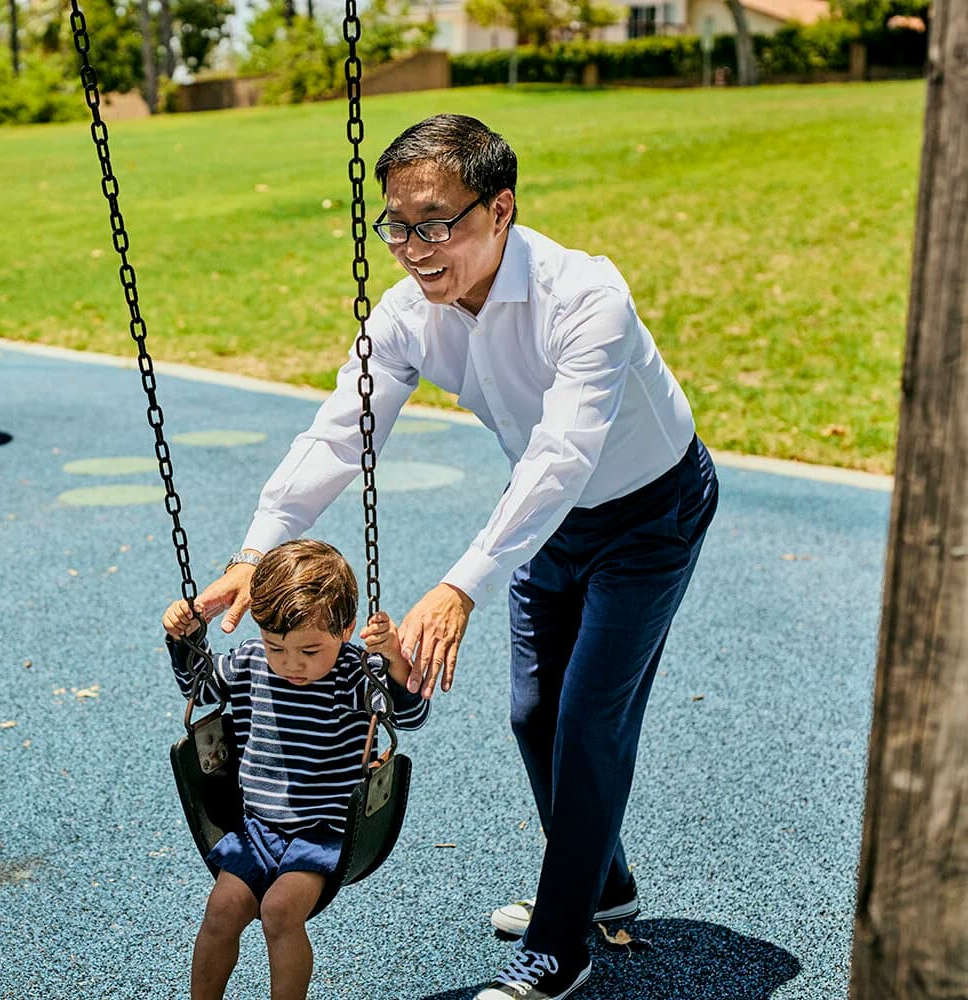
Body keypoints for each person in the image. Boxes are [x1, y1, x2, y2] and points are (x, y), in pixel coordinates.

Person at [195, 115, 720, 1000]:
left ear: (500, 208)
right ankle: (603, 882)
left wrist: (460, 585)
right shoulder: (407, 315)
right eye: (396, 225)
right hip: (547, 520)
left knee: (590, 720)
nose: (412, 247)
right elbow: (339, 434)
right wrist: (258, 547)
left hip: (649, 513)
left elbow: (564, 455)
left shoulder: (586, 294)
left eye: (435, 222)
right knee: (531, 713)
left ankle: (560, 944)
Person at [164, 539, 429, 1000]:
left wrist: (395, 662)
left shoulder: (352, 674)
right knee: (222, 909)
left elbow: (407, 716)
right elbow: (201, 687)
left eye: (310, 651)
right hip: (258, 828)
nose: (292, 664)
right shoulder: (250, 662)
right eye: (277, 647)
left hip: (323, 834)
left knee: (280, 910)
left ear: (346, 630)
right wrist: (185, 638)